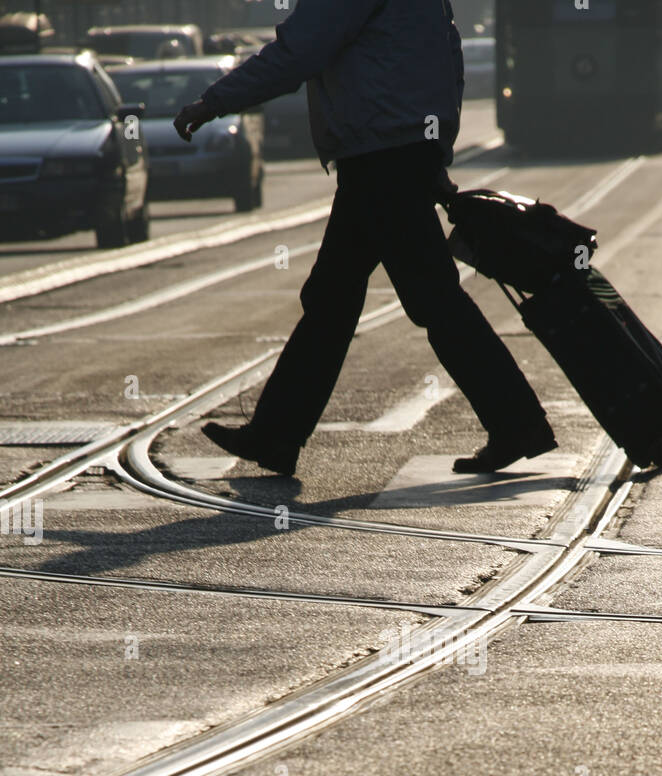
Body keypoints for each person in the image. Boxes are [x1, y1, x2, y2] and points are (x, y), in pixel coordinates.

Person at [173, 0, 556, 477]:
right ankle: (277, 435)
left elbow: (299, 52)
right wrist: (434, 148)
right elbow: (446, 59)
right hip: (390, 152)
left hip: (380, 159)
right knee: (341, 298)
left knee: (420, 299)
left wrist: (215, 101)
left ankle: (518, 422)